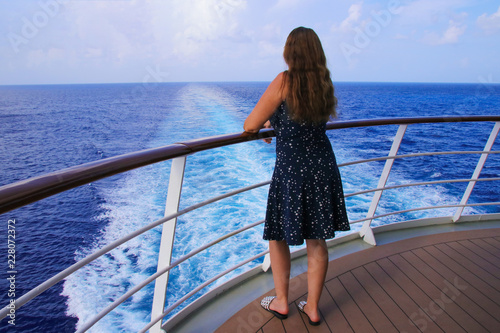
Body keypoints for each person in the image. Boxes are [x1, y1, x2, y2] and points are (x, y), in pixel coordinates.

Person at [243, 27, 350, 326]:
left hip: (292, 172)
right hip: (322, 168)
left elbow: (249, 124)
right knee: (316, 239)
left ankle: (281, 301)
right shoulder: (323, 82)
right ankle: (312, 307)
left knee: (278, 235)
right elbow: (301, 116)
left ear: (290, 53)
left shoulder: (284, 80)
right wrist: (273, 119)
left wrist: (266, 122)